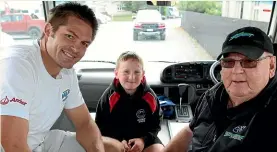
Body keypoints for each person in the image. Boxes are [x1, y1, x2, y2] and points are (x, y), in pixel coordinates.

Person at [0, 2, 105, 152]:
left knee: (111, 147)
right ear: (49, 30)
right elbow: (12, 143)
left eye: (84, 44)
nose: (76, 49)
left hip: (40, 142)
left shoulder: (67, 73)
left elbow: (84, 123)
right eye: (70, 36)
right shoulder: (19, 65)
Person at [163, 26, 277, 152]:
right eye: (228, 62)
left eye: (249, 61)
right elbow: (190, 131)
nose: (236, 71)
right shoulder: (212, 96)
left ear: (271, 66)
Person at [95, 51, 164, 152]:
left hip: (144, 139)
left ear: (143, 74)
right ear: (116, 74)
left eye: (137, 72)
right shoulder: (109, 97)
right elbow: (101, 125)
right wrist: (119, 141)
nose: (132, 77)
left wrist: (143, 140)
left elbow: (156, 124)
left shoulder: (150, 97)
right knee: (100, 145)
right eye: (126, 72)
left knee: (159, 150)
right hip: (116, 140)